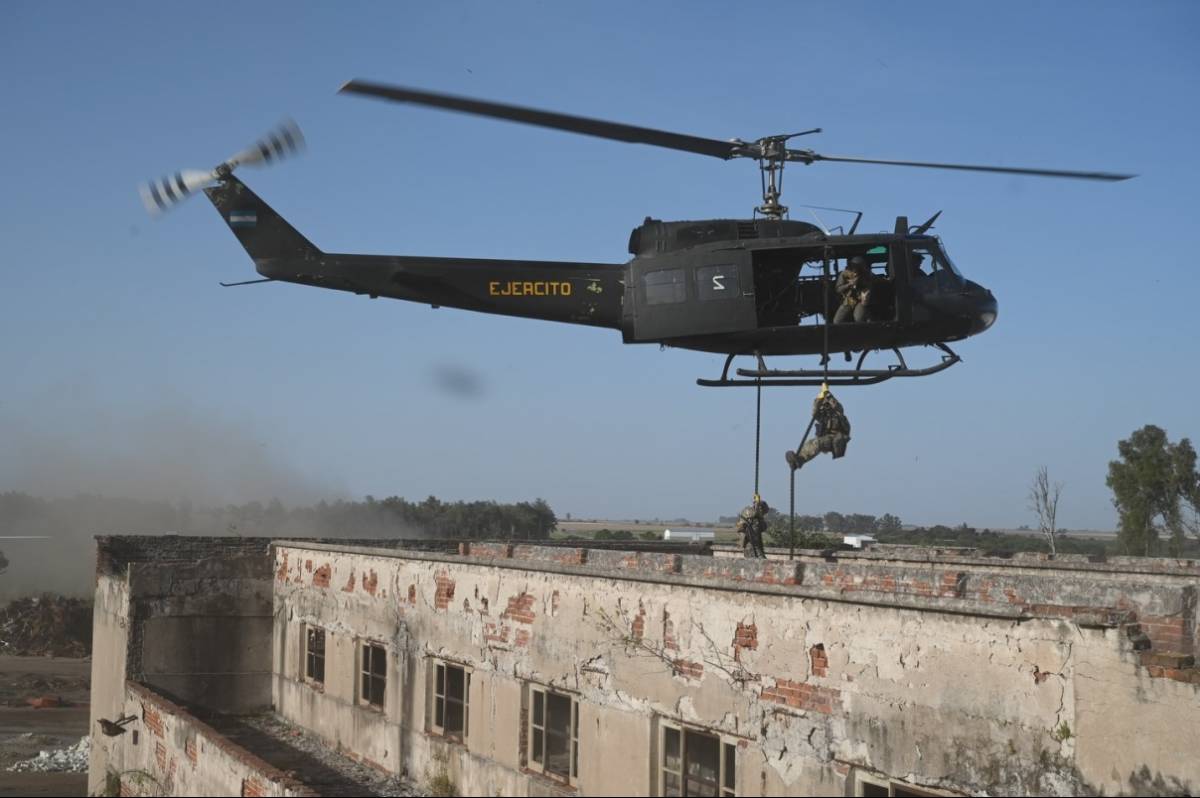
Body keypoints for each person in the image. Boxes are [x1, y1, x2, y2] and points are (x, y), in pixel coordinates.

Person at [785, 385, 851, 470]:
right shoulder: (823, 416)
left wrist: (826, 393)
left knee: (817, 443)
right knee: (810, 443)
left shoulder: (837, 413)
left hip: (836, 438)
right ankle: (797, 460)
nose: (825, 408)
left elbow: (836, 405)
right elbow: (814, 412)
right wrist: (819, 398)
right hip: (828, 438)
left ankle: (800, 459)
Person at [833, 256, 872, 324]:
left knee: (859, 318)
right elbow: (838, 289)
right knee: (837, 321)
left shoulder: (866, 275)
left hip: (861, 300)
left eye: (859, 267)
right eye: (855, 266)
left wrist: (865, 296)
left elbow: (869, 286)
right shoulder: (844, 274)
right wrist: (849, 285)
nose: (856, 269)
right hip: (849, 300)